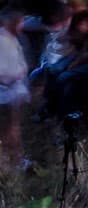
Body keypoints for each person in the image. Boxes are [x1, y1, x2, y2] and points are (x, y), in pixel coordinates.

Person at [0, 12, 28, 167]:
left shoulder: (12, 38)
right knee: (9, 129)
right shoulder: (3, 41)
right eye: (21, 22)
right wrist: (18, 73)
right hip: (5, 94)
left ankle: (16, 160)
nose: (23, 25)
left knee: (13, 127)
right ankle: (13, 163)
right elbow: (4, 74)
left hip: (12, 92)